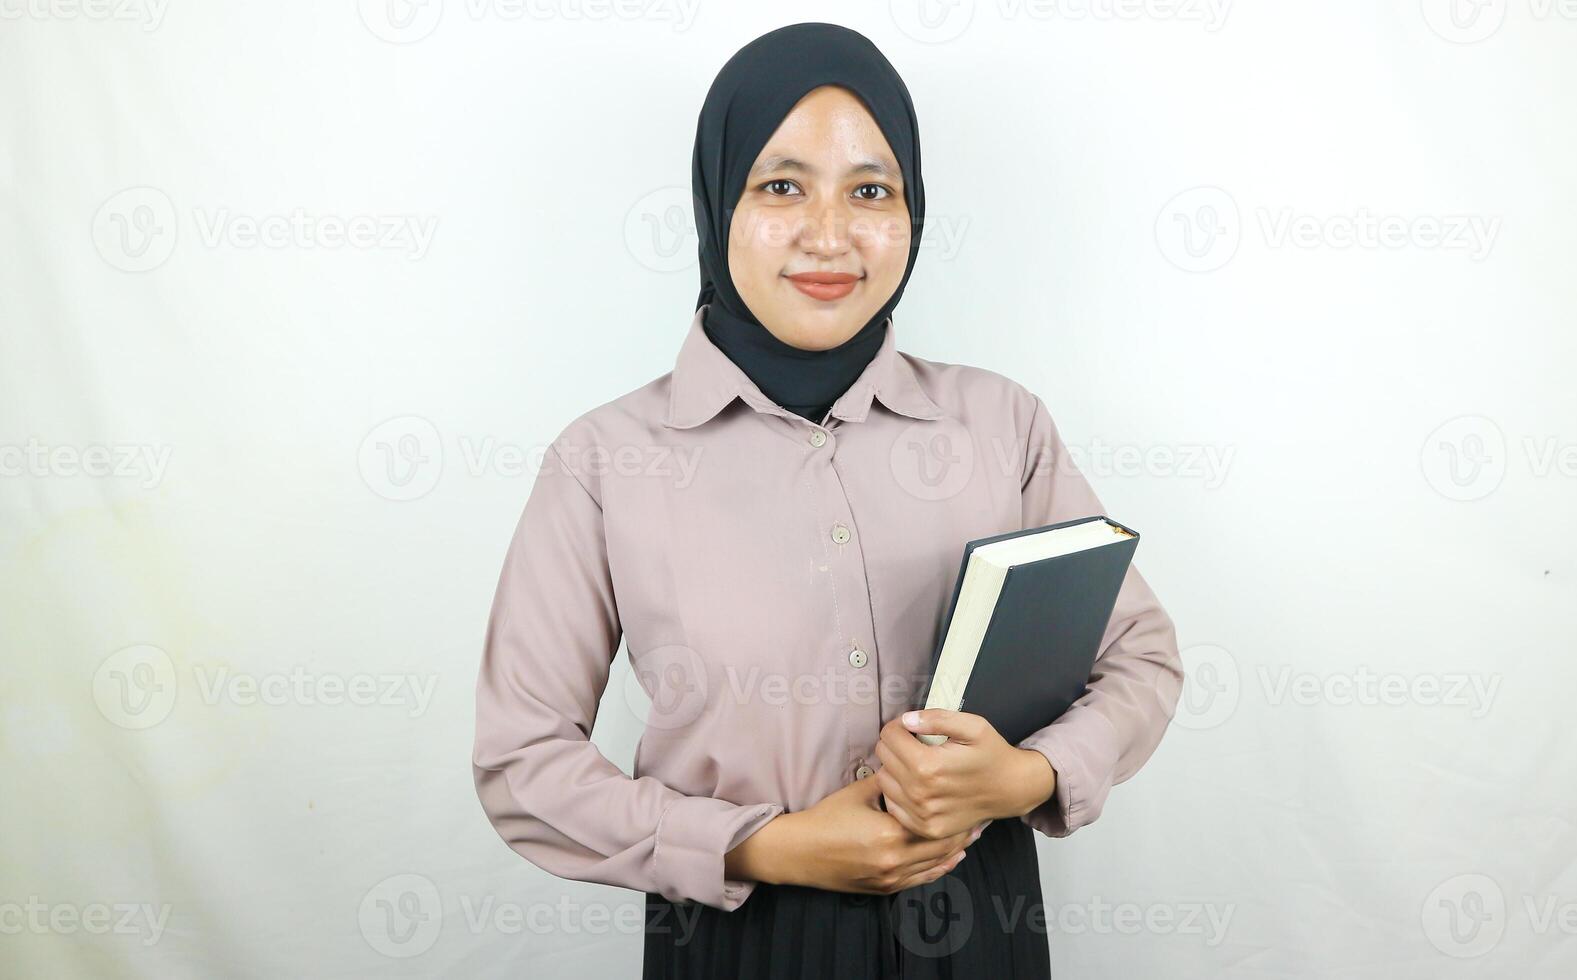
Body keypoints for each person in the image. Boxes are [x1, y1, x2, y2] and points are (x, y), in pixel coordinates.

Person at [471, 21, 1185, 979]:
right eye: (780, 185)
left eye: (870, 190)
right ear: (717, 199)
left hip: (982, 929)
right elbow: (521, 762)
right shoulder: (605, 461)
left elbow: (1137, 655)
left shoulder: (999, 425)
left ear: (913, 210)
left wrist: (1021, 776)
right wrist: (761, 845)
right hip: (738, 939)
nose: (829, 234)